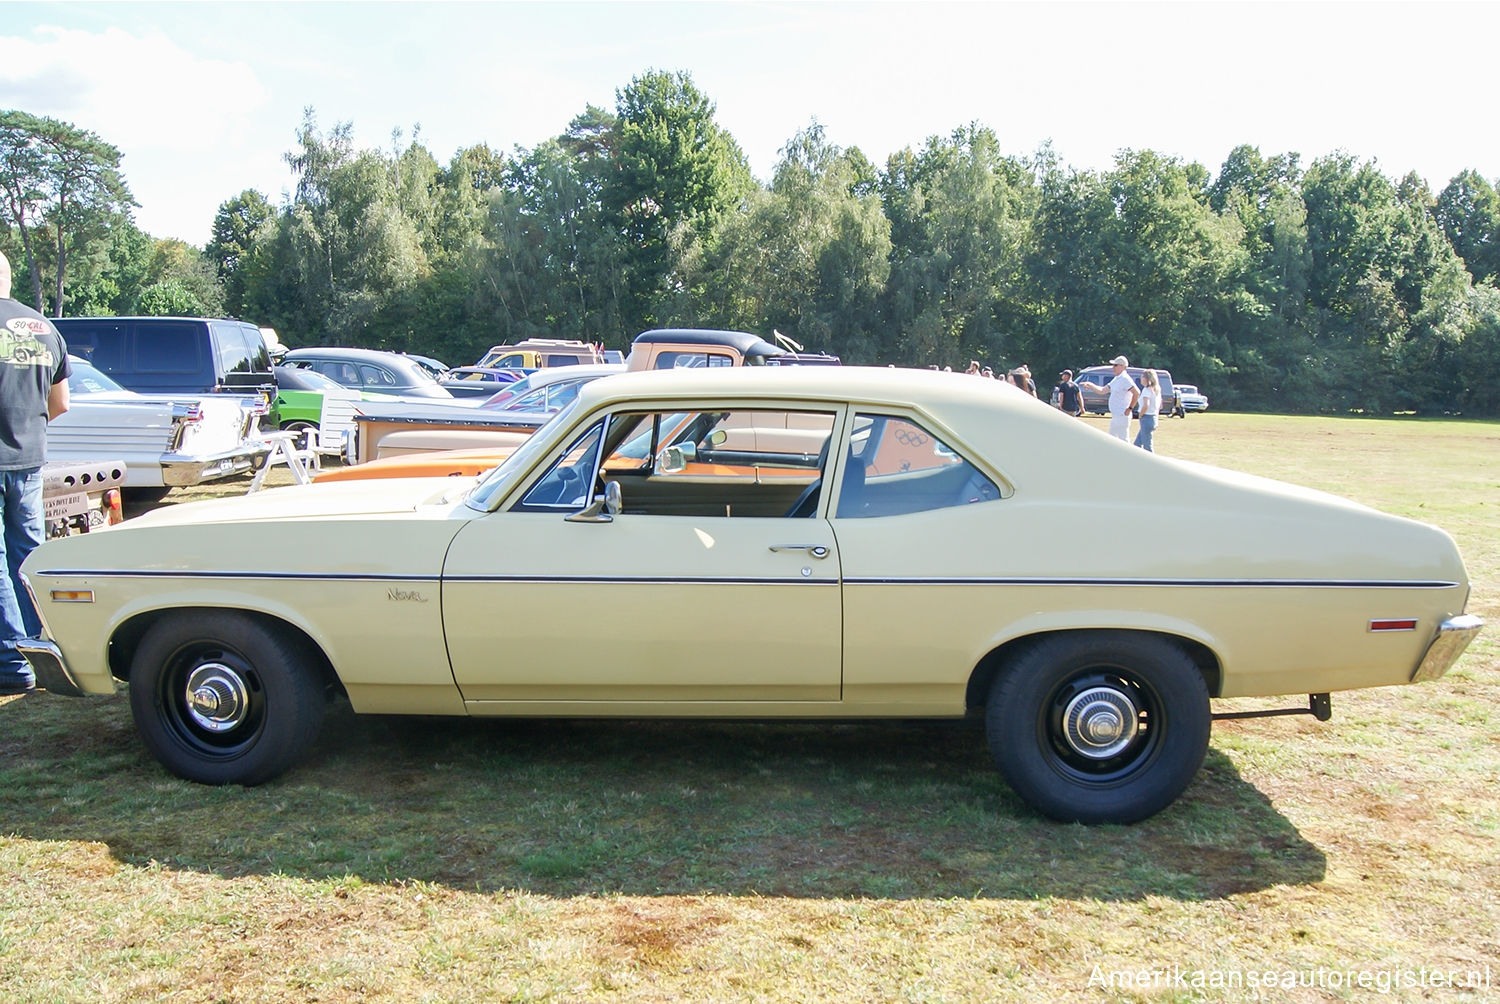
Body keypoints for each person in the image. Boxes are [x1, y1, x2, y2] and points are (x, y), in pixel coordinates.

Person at [0, 251, 71, 695]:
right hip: (29, 458)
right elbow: (60, 403)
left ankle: (11, 662)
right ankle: (45, 646)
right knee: (30, 558)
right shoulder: (44, 327)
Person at [1080, 355, 1138, 441]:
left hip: (1122, 415)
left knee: (1123, 440)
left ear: (1122, 366)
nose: (1113, 367)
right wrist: (1091, 385)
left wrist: (1130, 408)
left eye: (1115, 365)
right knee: (1113, 439)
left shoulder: (1125, 379)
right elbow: (1102, 390)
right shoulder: (1117, 379)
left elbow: (1137, 393)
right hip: (1116, 415)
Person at [1134, 367, 1161, 452]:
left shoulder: (1147, 390)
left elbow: (1146, 405)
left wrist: (1140, 414)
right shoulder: (1156, 390)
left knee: (1147, 446)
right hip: (1153, 417)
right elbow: (1160, 406)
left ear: (1146, 378)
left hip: (1146, 418)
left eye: (1142, 377)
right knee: (1137, 444)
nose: (1141, 379)